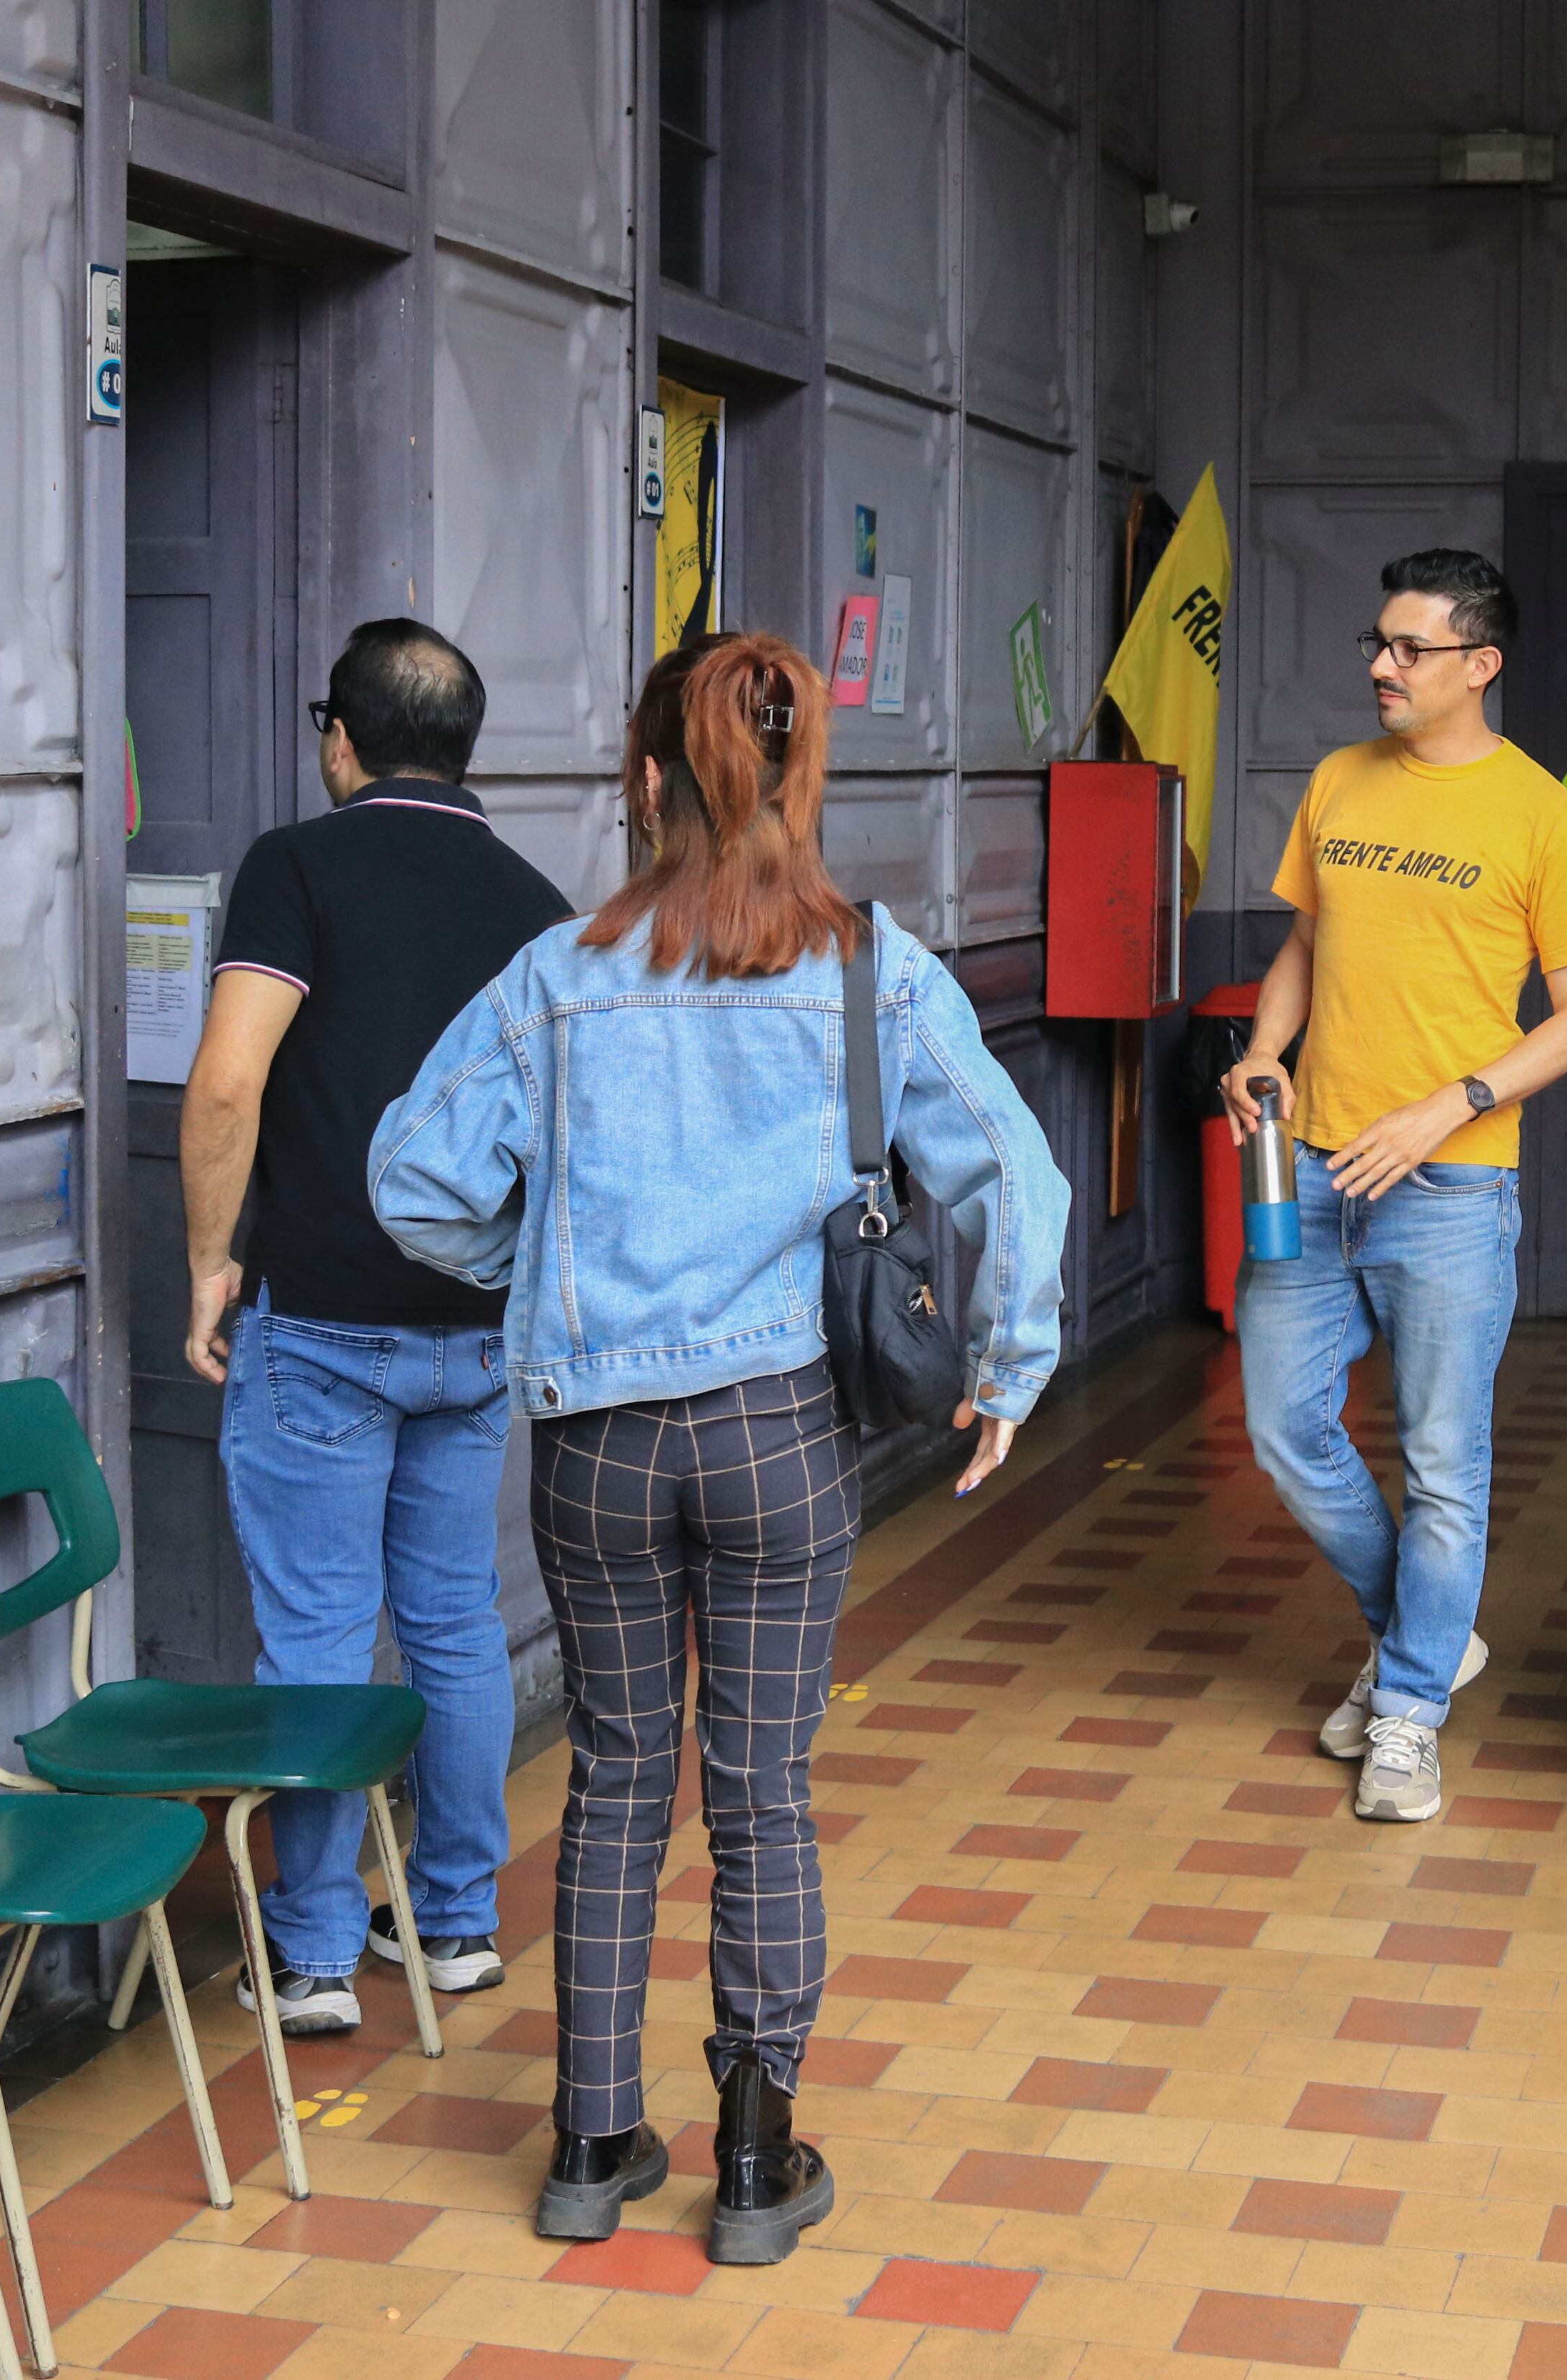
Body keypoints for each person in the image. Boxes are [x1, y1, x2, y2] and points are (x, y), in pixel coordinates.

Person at [370, 632, 1068, 2265]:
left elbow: (413, 1177)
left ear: (642, 780)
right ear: (795, 780)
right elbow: (1006, 1179)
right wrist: (1011, 1367)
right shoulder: (868, 966)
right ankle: (755, 2162)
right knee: (761, 1793)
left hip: (594, 1440)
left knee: (615, 1777)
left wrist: (538, 1273)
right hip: (778, 1433)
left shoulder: (556, 976)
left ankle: (589, 2145)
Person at [180, 618, 573, 2033]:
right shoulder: (539, 902)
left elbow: (228, 1081)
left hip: (323, 1323)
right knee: (458, 1622)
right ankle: (458, 1926)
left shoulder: (296, 865)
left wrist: (210, 1262)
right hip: (473, 1332)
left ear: (337, 737)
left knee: (317, 1634)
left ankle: (314, 1953)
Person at [1220, 550, 1567, 1824]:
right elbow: (1305, 941)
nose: (1383, 668)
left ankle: (1408, 1706)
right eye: (1378, 644)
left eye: (1409, 649)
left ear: (1481, 666)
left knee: (1447, 1465)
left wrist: (1450, 1103)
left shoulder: (1542, 816)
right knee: (1287, 1428)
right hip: (1313, 1169)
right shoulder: (1340, 782)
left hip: (1451, 1189)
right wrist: (1261, 1050)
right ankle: (1430, 1632)